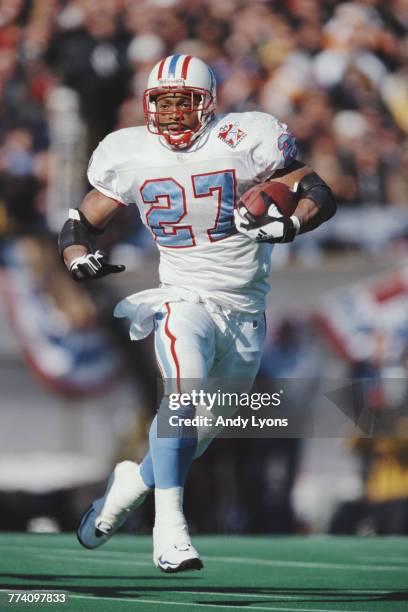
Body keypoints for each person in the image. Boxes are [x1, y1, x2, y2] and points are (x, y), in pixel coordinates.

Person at [58, 55, 336, 572]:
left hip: (246, 311)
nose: (172, 113)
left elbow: (317, 192)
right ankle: (170, 530)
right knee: (180, 398)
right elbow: (81, 221)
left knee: (199, 432)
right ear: (149, 105)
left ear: (206, 103)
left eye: (183, 101)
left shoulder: (244, 139)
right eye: (163, 102)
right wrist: (77, 258)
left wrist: (292, 224)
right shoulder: (130, 151)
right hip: (183, 298)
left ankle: (128, 487)